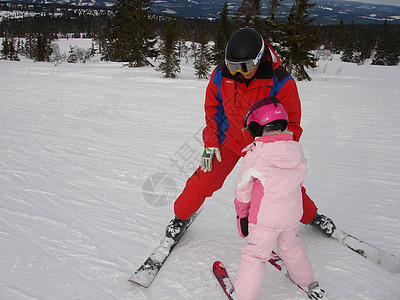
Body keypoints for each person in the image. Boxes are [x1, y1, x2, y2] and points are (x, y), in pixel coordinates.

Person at [166, 27, 335, 241]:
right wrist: (211, 142)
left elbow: (292, 124)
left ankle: (311, 216)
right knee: (203, 181)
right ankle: (180, 217)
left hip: (264, 145)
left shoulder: (281, 81)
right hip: (229, 138)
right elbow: (213, 109)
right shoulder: (221, 74)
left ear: (258, 58)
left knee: (282, 185)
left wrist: (277, 151)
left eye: (244, 67)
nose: (237, 72)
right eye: (233, 66)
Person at [234, 96, 325, 300]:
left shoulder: (256, 154)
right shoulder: (296, 150)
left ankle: (245, 296)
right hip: (292, 216)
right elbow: (296, 181)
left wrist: (242, 216)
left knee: (256, 255)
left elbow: (243, 189)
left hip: (265, 219)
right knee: (291, 247)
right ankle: (306, 280)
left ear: (257, 128)